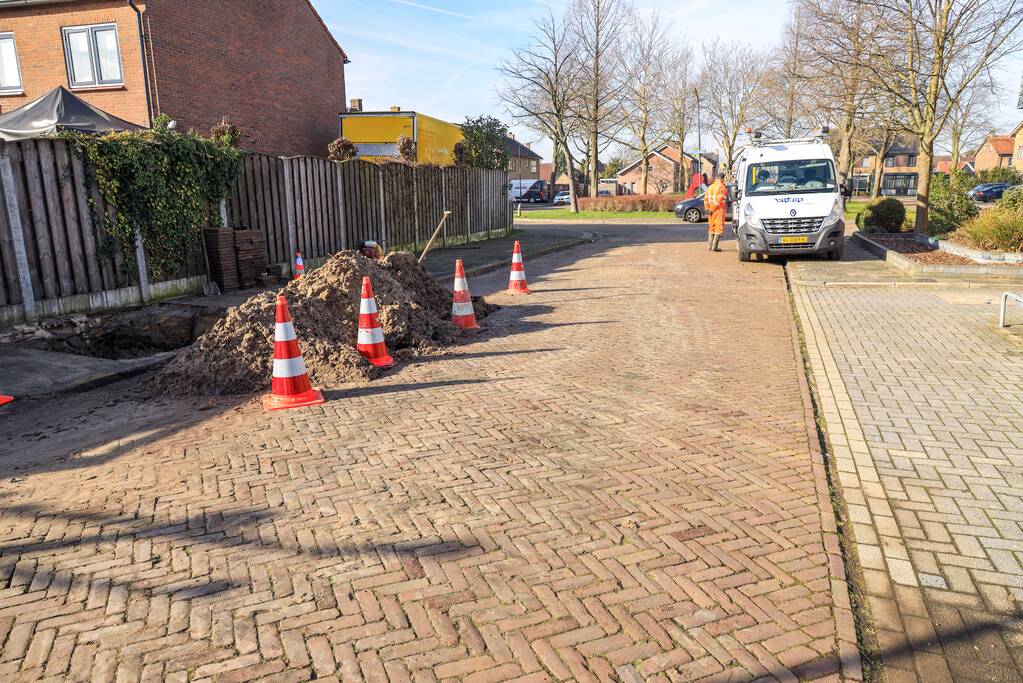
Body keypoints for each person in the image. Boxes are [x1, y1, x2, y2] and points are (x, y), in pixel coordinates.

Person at [703, 172, 727, 252]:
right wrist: (713, 209)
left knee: (711, 227)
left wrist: (707, 209)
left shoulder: (710, 187)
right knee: (719, 228)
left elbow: (705, 199)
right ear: (723, 179)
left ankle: (710, 246)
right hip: (718, 211)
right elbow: (719, 201)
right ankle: (714, 247)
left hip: (710, 212)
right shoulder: (722, 187)